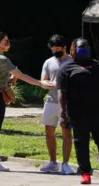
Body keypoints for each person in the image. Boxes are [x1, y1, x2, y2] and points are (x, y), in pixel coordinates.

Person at [0, 31, 47, 172]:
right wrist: (40, 83)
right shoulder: (1, 59)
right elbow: (21, 76)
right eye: (5, 41)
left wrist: (10, 79)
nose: (8, 43)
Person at [58, 38, 99, 185]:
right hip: (77, 113)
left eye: (86, 47)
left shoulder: (97, 66)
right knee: (81, 143)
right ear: (74, 50)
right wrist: (63, 114)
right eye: (81, 48)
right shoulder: (67, 68)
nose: (84, 50)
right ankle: (85, 173)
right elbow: (62, 93)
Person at [39, 34, 75, 175]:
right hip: (51, 100)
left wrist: (58, 84)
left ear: (64, 47)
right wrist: (45, 84)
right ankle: (52, 162)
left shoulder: (72, 61)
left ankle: (65, 164)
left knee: (66, 132)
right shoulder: (48, 62)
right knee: (49, 132)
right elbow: (43, 80)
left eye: (58, 49)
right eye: (53, 49)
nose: (55, 51)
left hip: (67, 103)